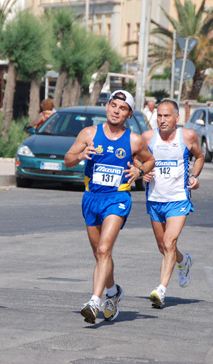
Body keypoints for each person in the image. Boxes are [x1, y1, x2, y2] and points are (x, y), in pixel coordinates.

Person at [64, 90, 155, 324]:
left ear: (129, 114)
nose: (116, 111)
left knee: (105, 249)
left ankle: (94, 301)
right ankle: (113, 292)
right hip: (91, 198)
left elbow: (150, 159)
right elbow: (67, 160)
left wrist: (139, 170)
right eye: (113, 105)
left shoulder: (134, 139)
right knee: (99, 253)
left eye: (122, 108)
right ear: (107, 107)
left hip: (118, 198)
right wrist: (82, 154)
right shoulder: (89, 133)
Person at [142, 99, 204, 308]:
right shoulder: (148, 137)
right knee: (163, 246)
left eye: (167, 116)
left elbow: (200, 157)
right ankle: (183, 262)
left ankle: (161, 290)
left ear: (177, 117)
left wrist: (194, 176)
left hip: (178, 199)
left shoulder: (187, 136)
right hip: (154, 199)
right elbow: (136, 158)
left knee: (169, 242)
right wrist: (143, 171)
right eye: (159, 116)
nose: (162, 120)